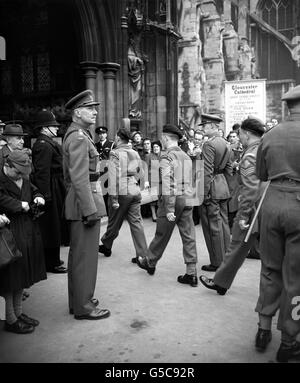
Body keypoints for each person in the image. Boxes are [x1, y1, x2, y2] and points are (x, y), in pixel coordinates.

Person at [254, 85, 300, 362]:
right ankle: (289, 340)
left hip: (271, 203)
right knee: (295, 276)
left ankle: (262, 329)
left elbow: (261, 173)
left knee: (270, 268)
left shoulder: (270, 135)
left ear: (287, 106)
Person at [199, 118, 265, 296]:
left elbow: (251, 189)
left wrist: (243, 215)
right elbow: (229, 170)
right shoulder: (261, 148)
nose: (239, 137)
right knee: (233, 239)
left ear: (248, 134)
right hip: (256, 202)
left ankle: (219, 276)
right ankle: (221, 281)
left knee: (231, 239)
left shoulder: (250, 154)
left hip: (252, 208)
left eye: (241, 134)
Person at [63, 89, 110, 321]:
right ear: (76, 112)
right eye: (90, 108)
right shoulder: (79, 137)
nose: (94, 112)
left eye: (95, 108)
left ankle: (78, 300)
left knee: (78, 256)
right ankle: (84, 306)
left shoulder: (79, 134)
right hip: (85, 202)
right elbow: (79, 177)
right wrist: (90, 209)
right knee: (85, 258)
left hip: (82, 199)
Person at [137, 124, 198, 287]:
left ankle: (150, 261)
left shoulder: (166, 156)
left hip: (173, 199)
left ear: (165, 138)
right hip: (187, 197)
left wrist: (170, 208)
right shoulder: (185, 155)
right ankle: (191, 272)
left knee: (162, 234)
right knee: (188, 235)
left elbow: (168, 183)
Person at [0, 150, 46, 334]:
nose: (21, 175)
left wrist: (38, 195)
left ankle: (18, 313)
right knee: (10, 278)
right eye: (18, 172)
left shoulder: (22, 177)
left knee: (21, 275)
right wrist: (19, 205)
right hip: (9, 232)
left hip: (26, 230)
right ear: (7, 166)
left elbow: (33, 187)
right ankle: (10, 319)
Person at [98, 126, 148, 264]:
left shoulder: (115, 153)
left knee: (114, 221)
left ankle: (106, 245)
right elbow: (141, 174)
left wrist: (113, 198)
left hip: (121, 190)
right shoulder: (135, 152)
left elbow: (113, 177)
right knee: (137, 223)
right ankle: (143, 255)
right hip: (134, 189)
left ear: (119, 138)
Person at [31, 109, 68, 274]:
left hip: (55, 186)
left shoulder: (47, 142)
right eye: (53, 126)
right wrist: (45, 195)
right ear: (45, 128)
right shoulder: (43, 145)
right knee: (51, 227)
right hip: (51, 188)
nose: (56, 128)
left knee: (55, 226)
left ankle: (53, 259)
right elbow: (42, 173)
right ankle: (50, 263)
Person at [199, 114, 232, 272]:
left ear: (213, 127)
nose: (203, 129)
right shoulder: (226, 143)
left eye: (205, 126)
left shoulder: (209, 145)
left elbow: (206, 171)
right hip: (222, 185)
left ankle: (217, 262)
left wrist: (204, 193)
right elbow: (229, 168)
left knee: (213, 226)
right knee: (224, 223)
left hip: (212, 187)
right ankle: (226, 257)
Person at [95, 126, 114, 214]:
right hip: (100, 170)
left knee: (109, 189)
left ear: (106, 134)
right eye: (100, 134)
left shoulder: (111, 144)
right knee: (102, 190)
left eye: (103, 133)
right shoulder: (96, 145)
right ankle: (104, 210)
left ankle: (110, 209)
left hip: (109, 169)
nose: (101, 135)